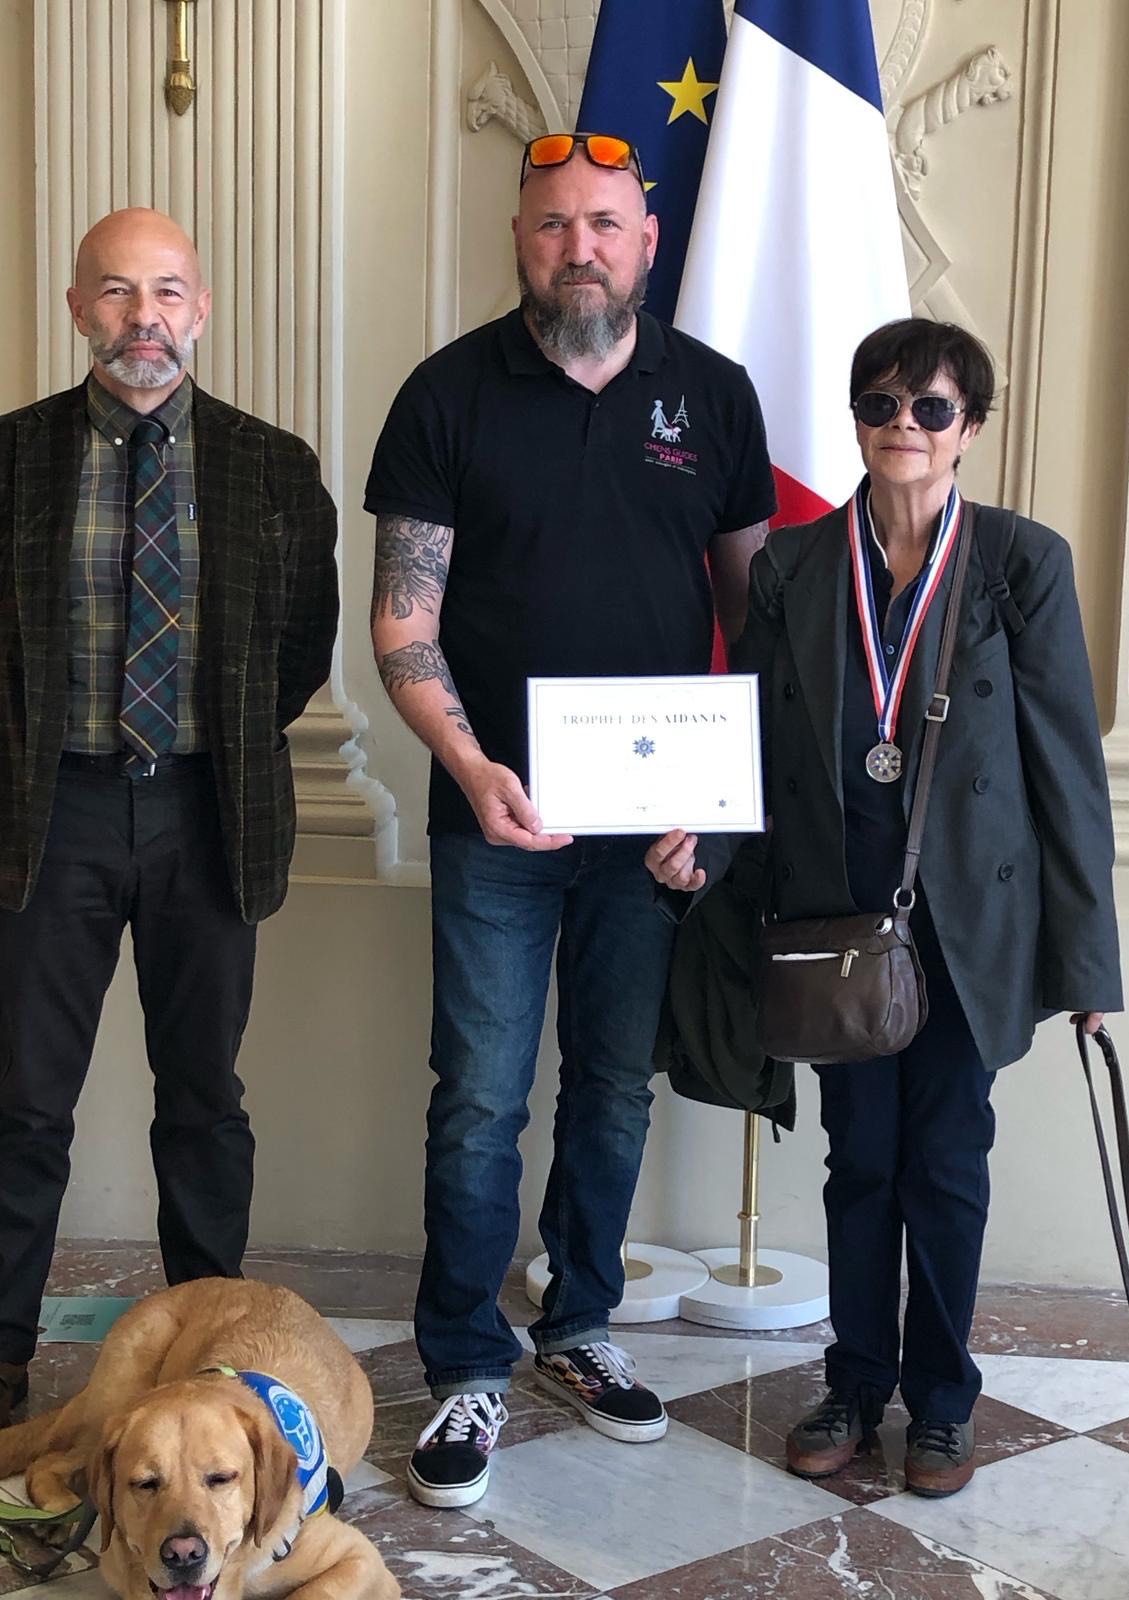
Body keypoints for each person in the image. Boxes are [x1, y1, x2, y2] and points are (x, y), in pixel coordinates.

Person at [365, 131, 776, 1508]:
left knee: (611, 1086)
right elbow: (403, 623)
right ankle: (467, 1361)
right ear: (520, 237)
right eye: (553, 225)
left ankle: (580, 1329)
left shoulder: (713, 399)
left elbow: (755, 622)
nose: (579, 245)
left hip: (650, 836)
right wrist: (476, 769)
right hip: (498, 820)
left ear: (647, 239)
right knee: (479, 1098)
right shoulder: (446, 394)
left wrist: (716, 814)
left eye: (605, 221)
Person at [647, 317, 1122, 1497]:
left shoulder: (1021, 563)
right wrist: (697, 831)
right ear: (856, 416)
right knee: (860, 1165)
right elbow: (750, 734)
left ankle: (944, 1402)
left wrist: (1090, 974)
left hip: (972, 931)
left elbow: (1067, 765)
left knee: (947, 1166)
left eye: (931, 408)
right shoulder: (795, 565)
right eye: (880, 404)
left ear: (971, 426)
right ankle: (856, 1382)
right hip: (833, 922)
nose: (902, 427)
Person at [0, 207, 338, 1427]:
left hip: (208, 810)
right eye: (116, 292)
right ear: (79, 306)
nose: (145, 318)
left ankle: (210, 1354)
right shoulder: (12, 457)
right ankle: (1, 1354)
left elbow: (298, 646)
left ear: (201, 308)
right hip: (51, 813)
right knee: (23, 1101)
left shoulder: (271, 467)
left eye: (168, 293)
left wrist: (214, 747)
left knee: (204, 1097)